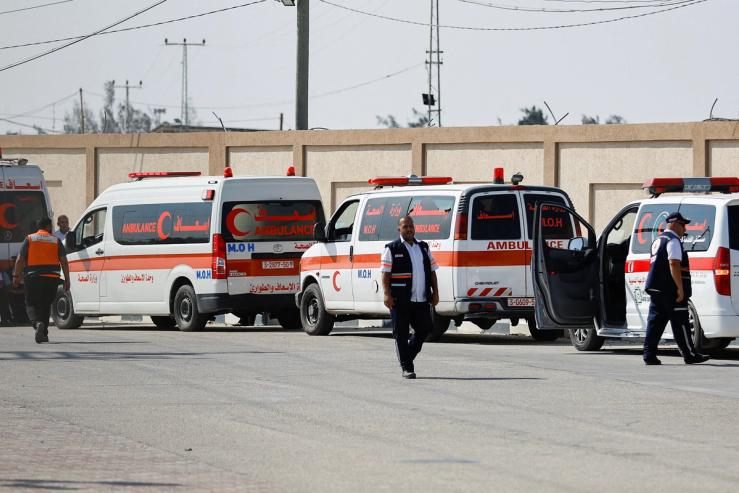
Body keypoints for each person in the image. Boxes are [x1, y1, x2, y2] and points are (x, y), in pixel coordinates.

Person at [643, 212, 709, 365]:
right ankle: (690, 354)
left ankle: (649, 355)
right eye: (682, 224)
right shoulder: (673, 241)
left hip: (656, 288)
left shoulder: (658, 240)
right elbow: (674, 264)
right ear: (673, 223)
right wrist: (679, 288)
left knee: (655, 323)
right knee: (681, 323)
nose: (684, 229)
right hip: (670, 290)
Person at [381, 216, 440, 379]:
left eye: (411, 226)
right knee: (401, 333)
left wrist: (436, 292)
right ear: (399, 229)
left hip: (421, 299)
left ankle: (406, 355)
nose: (409, 229)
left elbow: (433, 271)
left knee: (425, 329)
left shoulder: (423, 247)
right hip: (400, 300)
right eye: (405, 226)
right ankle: (407, 367)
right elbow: (385, 274)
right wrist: (387, 294)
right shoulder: (392, 248)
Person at [12, 217, 70, 344]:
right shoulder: (56, 240)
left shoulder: (30, 238)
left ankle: (38, 324)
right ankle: (43, 334)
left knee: (30, 303)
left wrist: (16, 277)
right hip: (52, 278)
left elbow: (20, 260)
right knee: (45, 305)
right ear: (48, 226)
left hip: (33, 278)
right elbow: (64, 262)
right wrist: (67, 280)